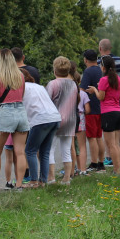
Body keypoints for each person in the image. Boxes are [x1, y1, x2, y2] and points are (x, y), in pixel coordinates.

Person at [0, 48, 29, 193]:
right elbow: (21, 95)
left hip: (6, 112)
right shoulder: (21, 76)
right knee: (20, 152)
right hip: (21, 112)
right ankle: (19, 185)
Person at [22, 69, 61, 187]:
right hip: (54, 117)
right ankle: (43, 181)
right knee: (45, 152)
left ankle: (33, 181)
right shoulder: (39, 86)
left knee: (30, 150)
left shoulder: (22, 88)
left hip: (40, 119)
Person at [46, 56, 78, 185]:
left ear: (55, 70)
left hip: (55, 119)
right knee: (66, 150)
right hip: (70, 119)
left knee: (50, 149)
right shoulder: (74, 85)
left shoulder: (52, 84)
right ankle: (67, 178)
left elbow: (47, 101)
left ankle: (51, 177)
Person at [97, 55, 120, 176]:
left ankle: (116, 171)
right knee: (115, 143)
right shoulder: (119, 79)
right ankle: (117, 169)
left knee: (110, 144)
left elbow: (101, 97)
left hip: (108, 113)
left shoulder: (103, 80)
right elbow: (119, 96)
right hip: (118, 111)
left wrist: (94, 90)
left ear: (103, 68)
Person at [79, 49, 105, 172]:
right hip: (101, 107)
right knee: (99, 136)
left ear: (85, 60)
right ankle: (101, 162)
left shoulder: (88, 71)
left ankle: (94, 163)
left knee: (92, 137)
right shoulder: (101, 70)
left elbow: (82, 89)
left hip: (91, 108)